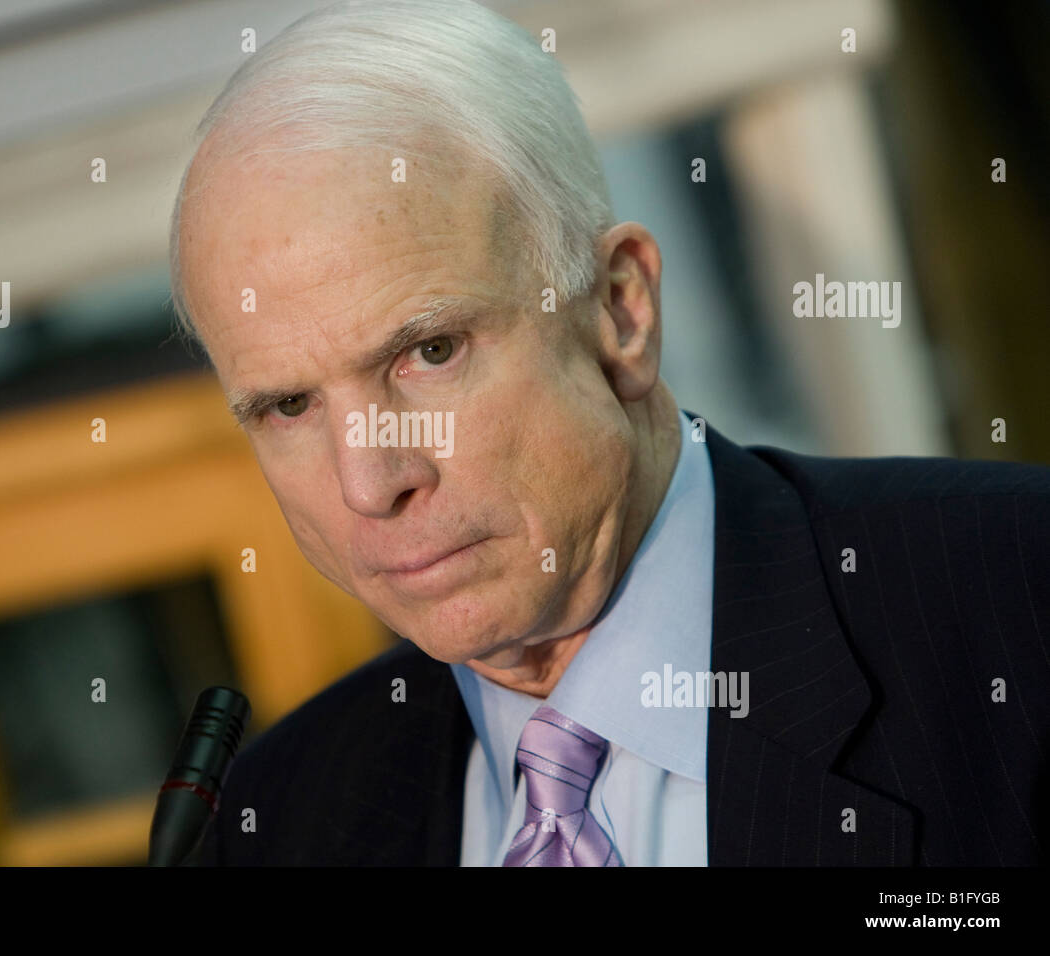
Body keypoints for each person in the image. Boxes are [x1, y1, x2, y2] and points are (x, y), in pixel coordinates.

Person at [168, 0, 1050, 865]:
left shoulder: (1016, 602)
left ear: (620, 311)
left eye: (428, 351)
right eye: (289, 407)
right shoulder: (276, 821)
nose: (370, 482)